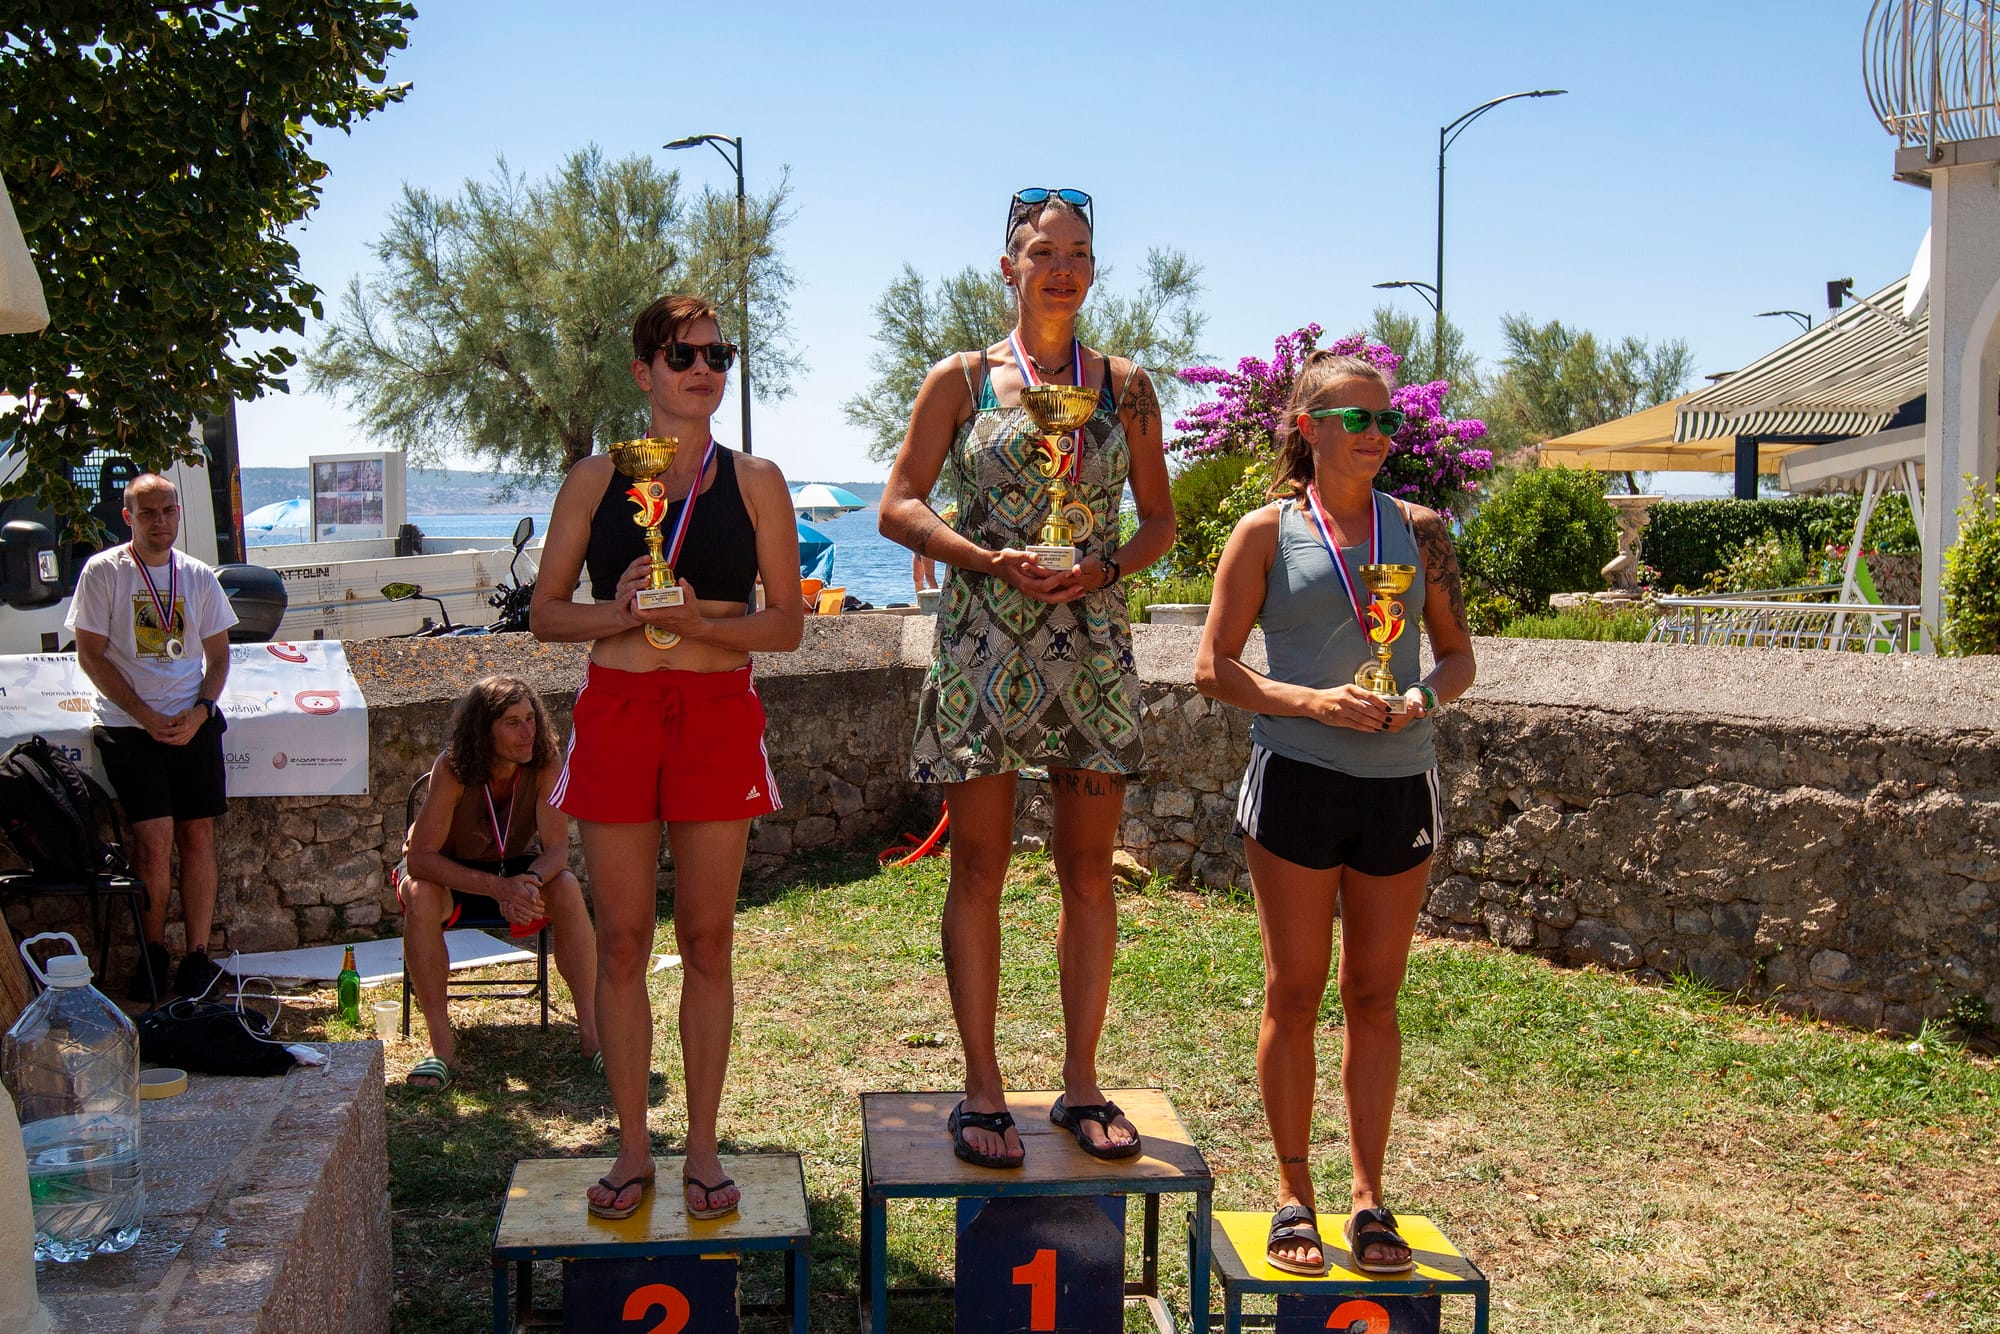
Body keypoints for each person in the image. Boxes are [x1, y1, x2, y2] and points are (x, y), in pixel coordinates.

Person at [878, 189, 1174, 1169]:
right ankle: (982, 1087)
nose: (1062, 269)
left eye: (1078, 252)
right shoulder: (961, 380)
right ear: (1007, 267)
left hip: (1089, 643)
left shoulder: (1126, 387)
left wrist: (1103, 569)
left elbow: (1159, 523)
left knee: (1087, 871)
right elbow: (898, 504)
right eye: (1042, 252)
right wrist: (984, 558)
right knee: (978, 867)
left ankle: (1080, 1083)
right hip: (982, 642)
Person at [1193, 350, 1476, 1276]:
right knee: (1294, 990)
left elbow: (1457, 657)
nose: (1378, 434)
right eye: (1357, 418)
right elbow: (1213, 668)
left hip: (1400, 783)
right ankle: (1292, 1194)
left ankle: (1367, 1197)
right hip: (1297, 777)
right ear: (1308, 428)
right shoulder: (1266, 533)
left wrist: (1422, 699)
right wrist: (1312, 702)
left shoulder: (1422, 530)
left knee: (1375, 997)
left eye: (1387, 419)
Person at [532, 294, 802, 1222]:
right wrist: (619, 611)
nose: (703, 371)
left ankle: (703, 1145)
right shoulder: (594, 480)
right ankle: (632, 1146)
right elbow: (545, 616)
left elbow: (787, 625)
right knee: (620, 941)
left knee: (708, 939)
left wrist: (694, 622)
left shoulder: (757, 480)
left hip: (717, 714)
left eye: (718, 356)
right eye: (683, 355)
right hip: (618, 712)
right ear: (643, 371)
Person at [65, 472, 237, 1000]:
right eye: (148, 513)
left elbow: (219, 657)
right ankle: (152, 951)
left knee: (198, 835)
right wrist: (143, 714)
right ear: (128, 517)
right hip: (128, 726)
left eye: (168, 511)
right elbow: (90, 655)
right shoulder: (104, 572)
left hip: (191, 723)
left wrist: (202, 711)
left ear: (178, 513)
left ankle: (197, 957)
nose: (160, 522)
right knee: (154, 840)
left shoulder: (197, 575)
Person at [397, 676, 599, 1091]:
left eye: (531, 719)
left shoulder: (544, 762)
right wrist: (497, 888)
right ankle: (441, 1048)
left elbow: (557, 849)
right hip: (447, 872)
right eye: (512, 723)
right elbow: (420, 860)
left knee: (564, 886)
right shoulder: (454, 768)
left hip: (514, 869)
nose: (528, 732)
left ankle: (594, 1036)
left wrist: (529, 883)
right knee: (421, 895)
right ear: (483, 731)